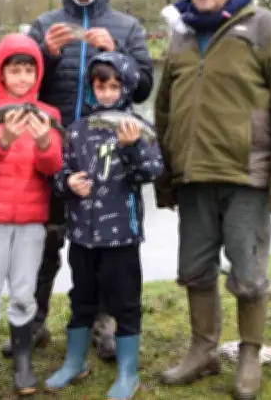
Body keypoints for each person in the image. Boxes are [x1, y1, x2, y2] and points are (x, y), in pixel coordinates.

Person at [154, 0, 271, 400]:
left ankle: (251, 356)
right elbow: (164, 108)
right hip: (194, 176)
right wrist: (166, 176)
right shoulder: (179, 33)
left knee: (250, 276)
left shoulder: (264, 27)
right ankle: (202, 352)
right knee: (194, 270)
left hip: (246, 177)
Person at [0, 0, 154, 361]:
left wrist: (116, 53)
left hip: (108, 156)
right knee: (44, 242)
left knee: (104, 243)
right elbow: (21, 84)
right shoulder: (45, 23)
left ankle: (105, 324)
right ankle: (33, 321)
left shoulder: (127, 27)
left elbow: (143, 87)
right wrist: (45, 55)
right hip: (52, 150)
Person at [44, 51, 163, 399]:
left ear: (125, 87)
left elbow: (151, 173)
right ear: (91, 88)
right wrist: (68, 185)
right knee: (81, 298)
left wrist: (129, 148)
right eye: (101, 86)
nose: (108, 93)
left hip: (121, 236)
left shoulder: (140, 129)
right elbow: (59, 175)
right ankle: (74, 362)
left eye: (115, 86)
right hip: (81, 235)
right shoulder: (78, 130)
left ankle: (128, 372)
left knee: (125, 302)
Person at [0, 33, 64, 398]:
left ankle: (23, 362)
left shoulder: (49, 115)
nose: (22, 78)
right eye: (15, 70)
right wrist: (3, 138)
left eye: (28, 70)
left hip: (31, 219)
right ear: (1, 73)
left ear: (36, 75)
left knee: (24, 290)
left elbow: (52, 165)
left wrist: (42, 143)